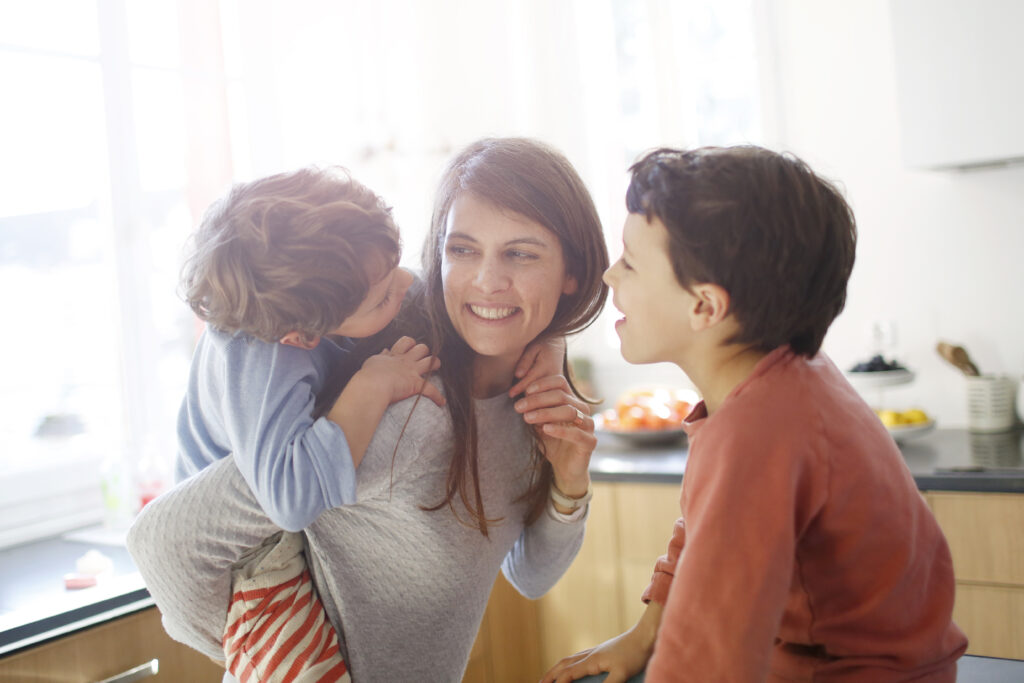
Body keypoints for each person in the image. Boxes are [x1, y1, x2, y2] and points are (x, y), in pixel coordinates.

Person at [127, 136, 610, 682]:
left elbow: (531, 575)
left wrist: (569, 484)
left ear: (573, 269)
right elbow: (160, 542)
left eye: (520, 253)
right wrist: (254, 645)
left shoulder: (532, 396)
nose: (486, 281)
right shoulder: (393, 409)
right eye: (462, 249)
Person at [542, 146, 968, 683]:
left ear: (705, 307)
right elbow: (703, 533)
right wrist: (645, 635)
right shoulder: (786, 374)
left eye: (629, 261)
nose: (608, 276)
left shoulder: (758, 432)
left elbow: (709, 653)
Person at [175, 165, 445, 534]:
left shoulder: (335, 287)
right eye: (383, 299)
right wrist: (373, 385)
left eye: (395, 265)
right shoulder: (260, 355)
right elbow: (291, 502)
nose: (407, 282)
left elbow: (432, 292)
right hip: (221, 549)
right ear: (300, 337)